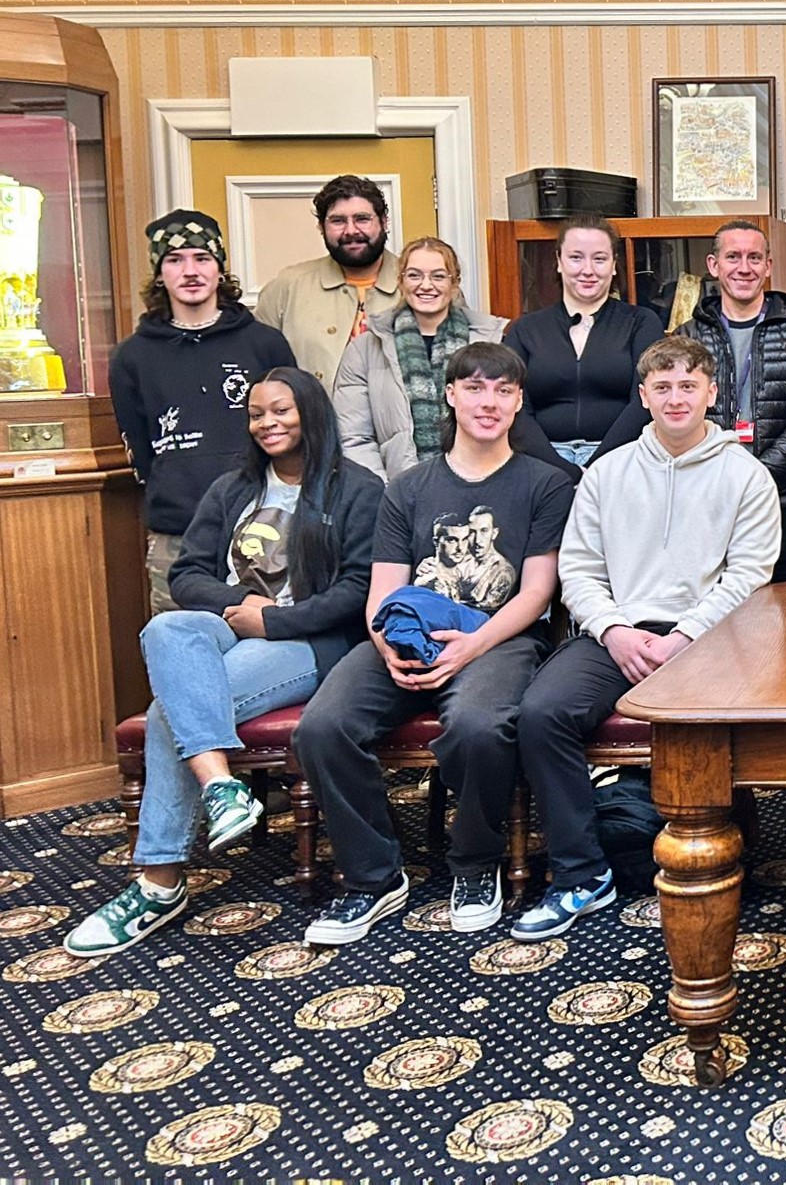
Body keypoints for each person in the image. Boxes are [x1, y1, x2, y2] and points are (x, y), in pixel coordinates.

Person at [66, 370, 382, 957]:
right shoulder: (233, 489)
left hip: (306, 643)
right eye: (258, 414)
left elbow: (359, 591)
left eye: (281, 410)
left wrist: (275, 621)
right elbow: (187, 575)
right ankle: (222, 790)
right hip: (229, 628)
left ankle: (157, 883)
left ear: (310, 412)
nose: (269, 423)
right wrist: (239, 607)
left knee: (169, 713)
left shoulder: (357, 490)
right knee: (167, 625)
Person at [295, 342, 575, 945]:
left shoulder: (546, 485)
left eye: (503, 391)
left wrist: (468, 647)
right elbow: (383, 592)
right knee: (321, 727)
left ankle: (474, 865)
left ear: (519, 401)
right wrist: (387, 642)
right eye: (475, 388)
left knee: (479, 725)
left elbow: (535, 596)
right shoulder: (409, 487)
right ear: (450, 395)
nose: (489, 402)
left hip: (498, 639)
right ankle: (373, 876)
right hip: (405, 632)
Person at [512, 336, 781, 940]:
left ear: (712, 393)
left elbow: (749, 575)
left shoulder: (747, 476)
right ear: (643, 396)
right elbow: (578, 569)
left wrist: (685, 635)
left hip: (713, 640)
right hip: (616, 634)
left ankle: (732, 854)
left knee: (718, 719)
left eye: (689, 386)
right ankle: (581, 875)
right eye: (663, 387)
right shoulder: (606, 474)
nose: (676, 398)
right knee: (540, 712)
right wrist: (613, 631)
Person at [112, 210, 299, 615]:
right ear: (159, 274)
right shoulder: (132, 357)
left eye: (202, 258)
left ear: (220, 269)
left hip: (265, 527)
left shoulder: (264, 345)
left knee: (265, 657)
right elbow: (141, 450)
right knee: (178, 651)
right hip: (176, 537)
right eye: (175, 260)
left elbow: (294, 433)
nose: (190, 271)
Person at [685, 221, 786, 582]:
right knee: (715, 621)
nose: (744, 267)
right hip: (707, 502)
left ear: (768, 266)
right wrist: (721, 480)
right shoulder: (688, 336)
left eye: (755, 258)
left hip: (782, 501)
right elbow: (678, 412)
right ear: (713, 265)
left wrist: (758, 477)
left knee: (785, 618)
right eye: (733, 257)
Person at [333, 236, 517, 479]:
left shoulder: (492, 342)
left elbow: (509, 423)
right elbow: (354, 437)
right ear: (400, 281)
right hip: (395, 489)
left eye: (439, 276)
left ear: (455, 283)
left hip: (480, 482)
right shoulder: (365, 349)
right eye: (414, 275)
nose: (426, 285)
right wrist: (384, 491)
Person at [503, 214, 664, 467]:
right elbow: (511, 404)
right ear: (558, 261)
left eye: (599, 259)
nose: (587, 270)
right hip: (539, 463)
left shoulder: (642, 322)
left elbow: (645, 401)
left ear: (613, 264)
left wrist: (597, 467)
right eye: (576, 257)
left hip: (625, 459)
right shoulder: (525, 329)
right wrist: (560, 471)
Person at [253, 175, 402, 390]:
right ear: (321, 227)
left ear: (384, 222)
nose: (351, 230)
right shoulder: (288, 286)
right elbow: (258, 365)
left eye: (362, 218)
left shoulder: (419, 285)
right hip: (310, 421)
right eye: (338, 221)